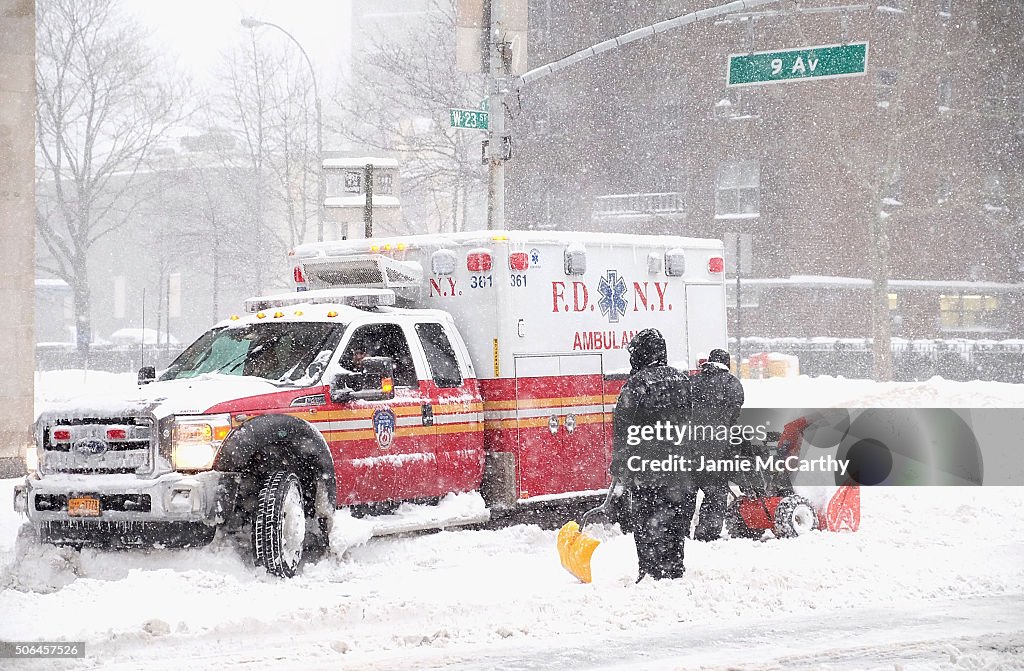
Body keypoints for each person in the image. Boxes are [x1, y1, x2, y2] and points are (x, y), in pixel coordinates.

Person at [610, 328, 694, 582]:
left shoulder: (636, 386)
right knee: (674, 523)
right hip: (678, 467)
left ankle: (650, 572)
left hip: (647, 470)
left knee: (647, 523)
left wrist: (620, 466)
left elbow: (623, 429)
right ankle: (674, 568)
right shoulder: (683, 381)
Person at [687, 348, 745, 541]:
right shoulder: (731, 384)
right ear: (727, 365)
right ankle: (706, 534)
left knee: (686, 494)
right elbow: (734, 416)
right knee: (716, 493)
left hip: (687, 450)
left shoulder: (692, 382)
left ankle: (680, 533)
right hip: (714, 451)